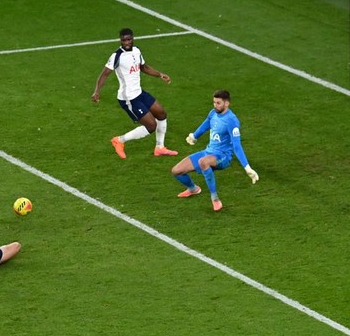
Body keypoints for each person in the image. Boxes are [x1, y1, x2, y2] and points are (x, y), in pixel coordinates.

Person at [91, 28, 177, 159]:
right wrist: (97, 91)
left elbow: (144, 67)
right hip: (128, 98)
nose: (126, 42)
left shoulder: (136, 51)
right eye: (123, 40)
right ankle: (119, 140)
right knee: (151, 125)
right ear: (120, 40)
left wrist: (160, 75)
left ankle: (160, 147)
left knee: (161, 113)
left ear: (133, 38)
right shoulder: (117, 56)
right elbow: (104, 74)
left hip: (139, 92)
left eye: (129, 39)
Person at [171, 90, 259, 211]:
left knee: (203, 162)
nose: (215, 105)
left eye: (218, 103)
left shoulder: (232, 121)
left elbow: (237, 146)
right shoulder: (213, 113)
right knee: (176, 171)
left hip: (223, 156)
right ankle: (193, 189)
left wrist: (247, 168)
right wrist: (194, 136)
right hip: (208, 152)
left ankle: (215, 198)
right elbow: (206, 124)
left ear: (227, 103)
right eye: (214, 102)